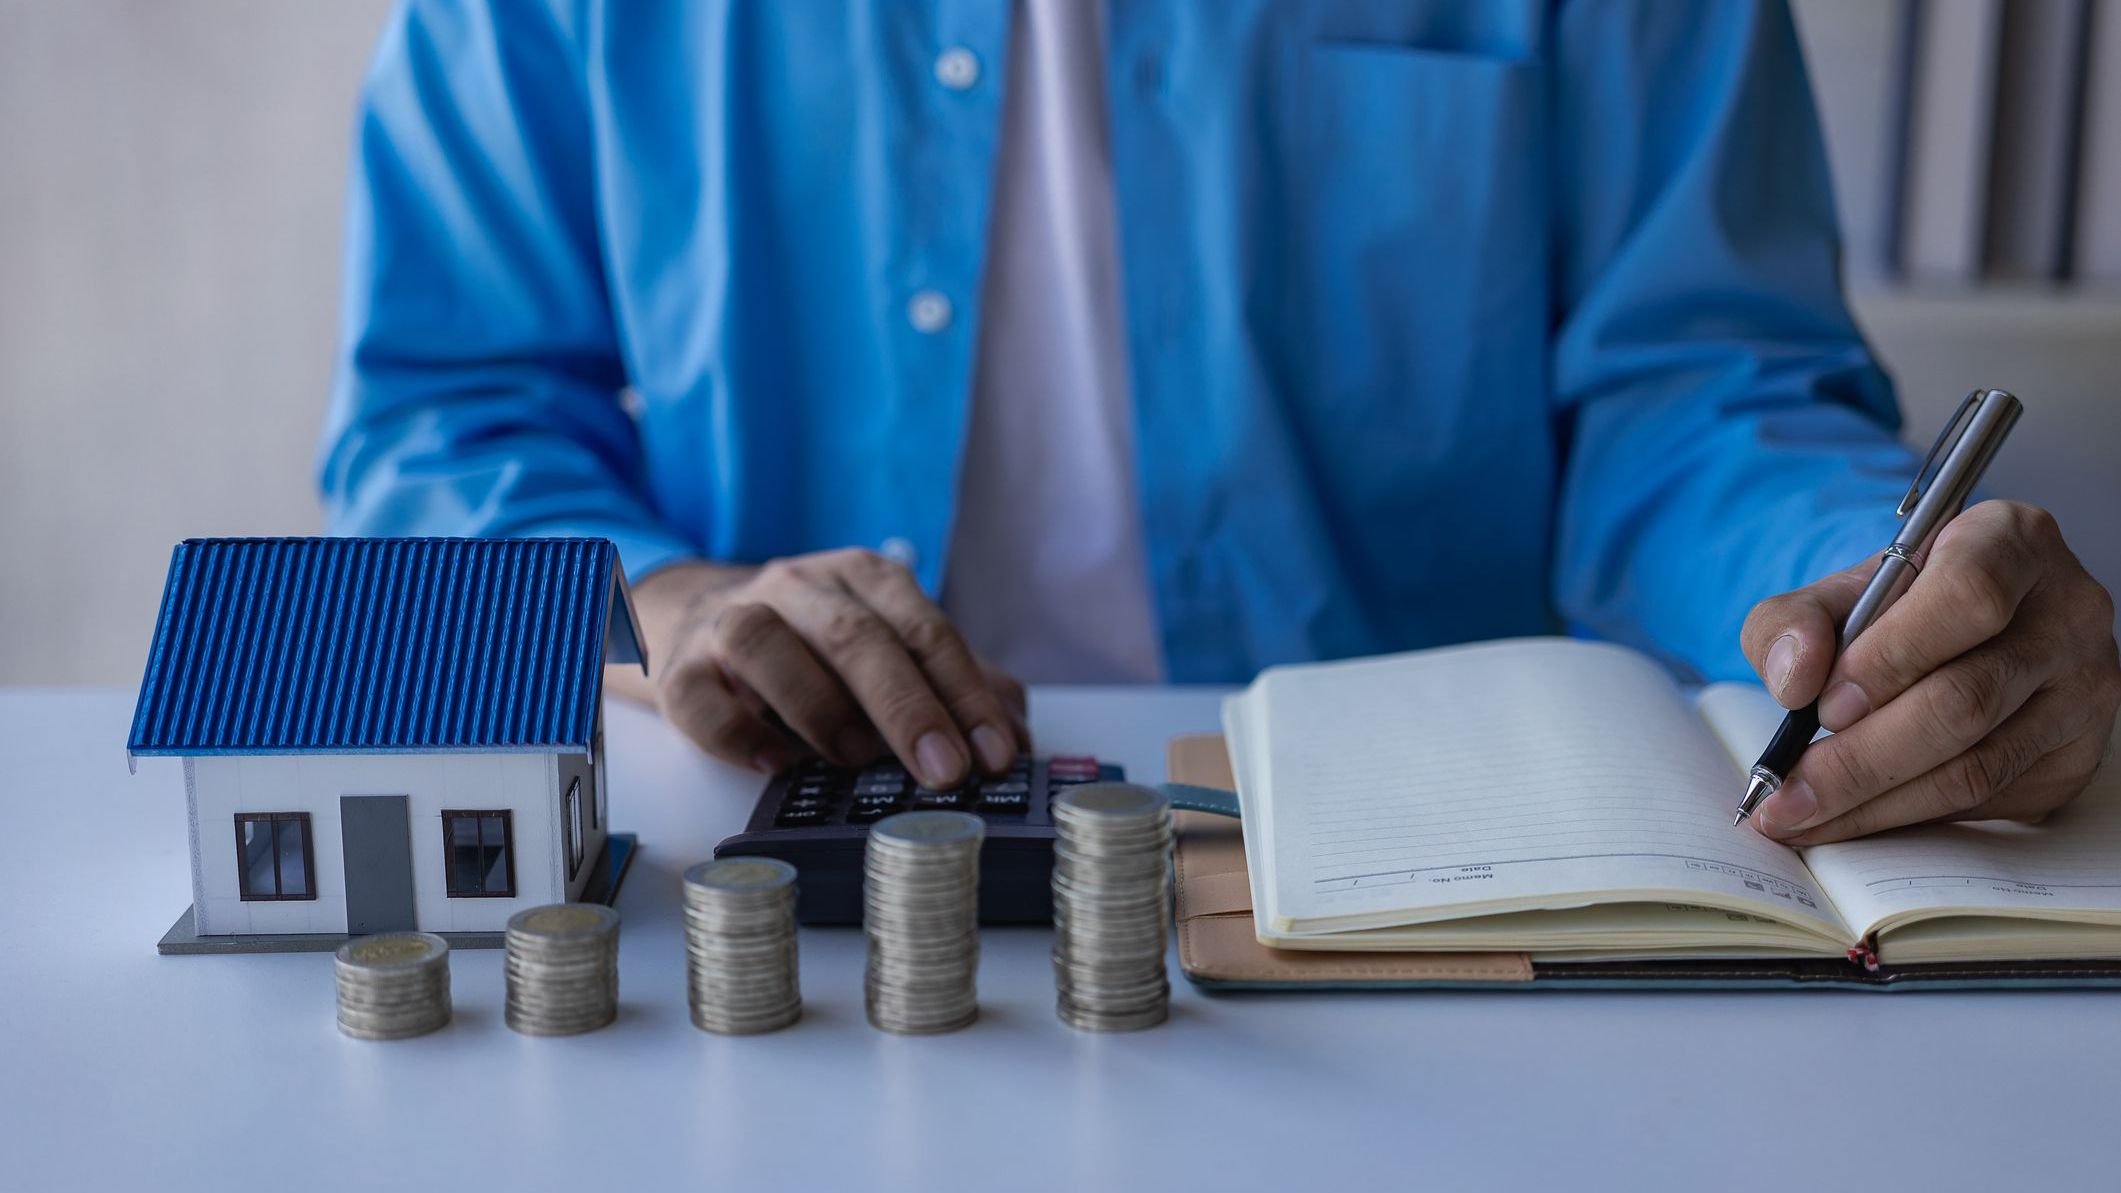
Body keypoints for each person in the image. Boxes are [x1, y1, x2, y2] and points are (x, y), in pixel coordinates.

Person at [320, 0, 2119, 845]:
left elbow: (1695, 386)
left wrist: (1860, 586)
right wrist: (667, 594)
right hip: (781, 873)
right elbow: (442, 412)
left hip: (1452, 881)